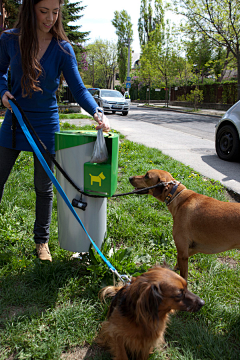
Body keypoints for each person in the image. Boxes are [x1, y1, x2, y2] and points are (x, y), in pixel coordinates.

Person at [0, 0, 110, 262]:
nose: (50, 18)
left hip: (46, 125)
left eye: (55, 12)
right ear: (30, 10)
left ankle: (42, 242)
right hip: (15, 121)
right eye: (43, 11)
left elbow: (79, 88)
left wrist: (97, 111)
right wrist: (2, 91)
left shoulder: (63, 48)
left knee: (43, 187)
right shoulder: (9, 39)